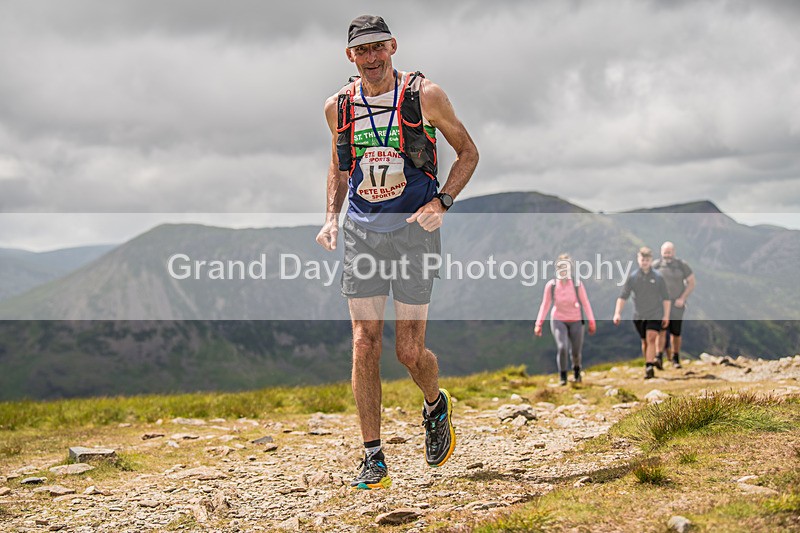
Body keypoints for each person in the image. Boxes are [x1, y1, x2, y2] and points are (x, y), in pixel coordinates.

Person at [316, 15, 479, 490]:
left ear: (392, 46)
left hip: (413, 233)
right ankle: (373, 457)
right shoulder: (339, 107)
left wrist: (442, 202)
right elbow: (339, 166)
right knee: (364, 341)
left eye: (378, 47)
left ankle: (435, 404)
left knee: (408, 351)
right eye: (362, 51)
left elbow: (468, 152)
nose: (371, 58)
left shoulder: (425, 95)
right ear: (350, 56)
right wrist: (331, 217)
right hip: (363, 233)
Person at [534, 254, 597, 385]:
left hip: (576, 320)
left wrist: (591, 321)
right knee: (562, 347)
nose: (563, 270)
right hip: (558, 320)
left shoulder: (577, 284)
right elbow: (545, 305)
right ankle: (563, 377)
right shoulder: (551, 286)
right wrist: (539, 323)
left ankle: (577, 373)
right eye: (560, 267)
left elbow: (585, 303)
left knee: (575, 351)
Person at [613, 247, 671, 379]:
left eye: (647, 260)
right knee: (644, 341)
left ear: (651, 260)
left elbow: (666, 298)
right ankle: (648, 362)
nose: (645, 262)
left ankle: (649, 367)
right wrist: (617, 313)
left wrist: (666, 315)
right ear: (638, 260)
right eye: (642, 260)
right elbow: (623, 296)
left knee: (651, 338)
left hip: (655, 313)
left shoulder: (658, 277)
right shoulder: (633, 277)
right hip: (639, 315)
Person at [653, 241, 695, 369]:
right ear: (661, 252)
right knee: (661, 330)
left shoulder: (682, 265)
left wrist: (682, 298)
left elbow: (692, 282)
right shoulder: (656, 265)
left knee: (675, 332)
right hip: (660, 303)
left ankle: (675, 358)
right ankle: (658, 357)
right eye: (665, 252)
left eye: (669, 252)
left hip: (677, 304)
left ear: (674, 252)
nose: (667, 255)